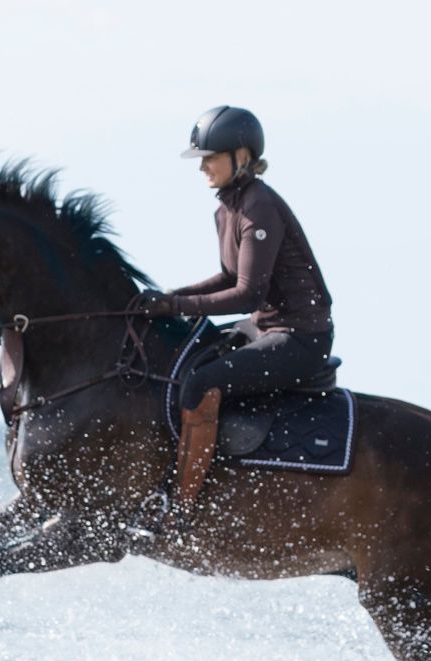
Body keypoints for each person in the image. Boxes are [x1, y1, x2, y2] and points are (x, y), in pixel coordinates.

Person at [142, 106, 335, 510]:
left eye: (210, 158)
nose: (203, 169)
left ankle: (182, 504)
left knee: (198, 385)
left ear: (241, 156)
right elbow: (228, 277)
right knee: (185, 362)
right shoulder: (228, 207)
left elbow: (246, 293)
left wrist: (175, 305)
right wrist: (168, 297)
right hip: (262, 328)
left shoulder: (258, 207)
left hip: (299, 338)